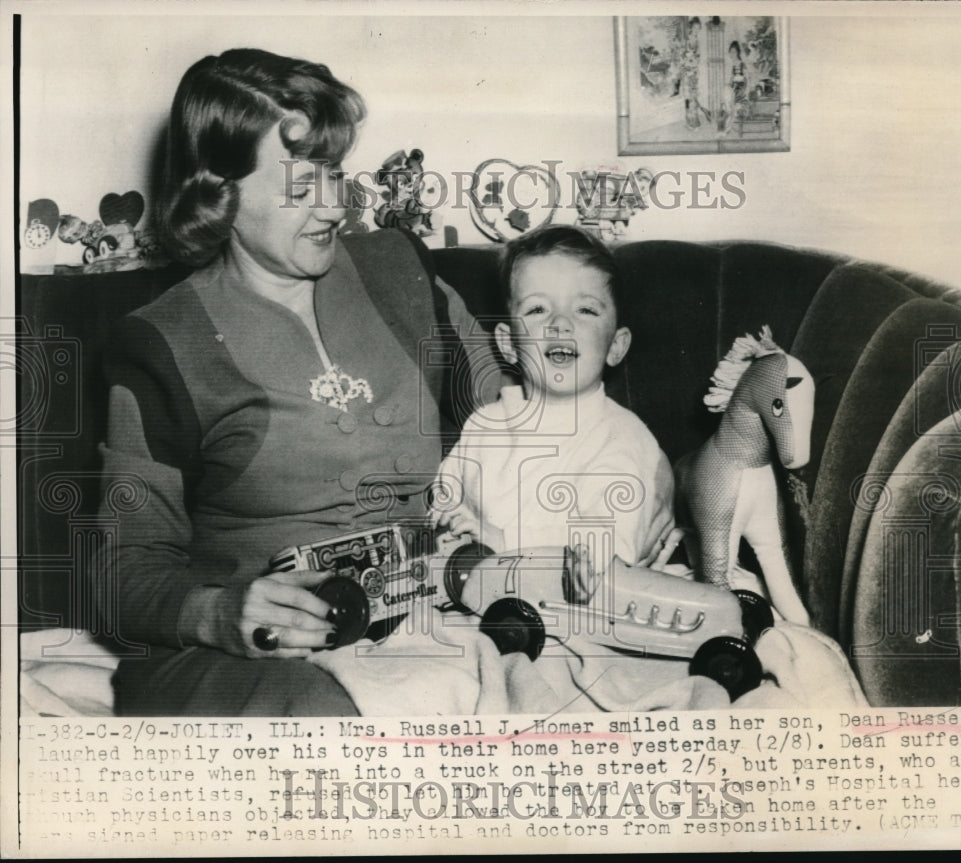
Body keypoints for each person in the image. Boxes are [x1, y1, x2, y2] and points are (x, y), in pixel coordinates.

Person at [97, 48, 495, 715]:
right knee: (329, 725)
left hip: (421, 620)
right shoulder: (160, 344)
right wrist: (223, 613)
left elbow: (506, 416)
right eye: (299, 187)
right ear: (217, 191)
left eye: (335, 174)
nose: (334, 205)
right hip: (245, 660)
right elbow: (119, 574)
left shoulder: (401, 270)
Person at [431, 225, 678, 574]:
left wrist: (505, 541)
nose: (560, 324)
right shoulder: (485, 424)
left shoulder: (621, 438)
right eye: (537, 310)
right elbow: (447, 491)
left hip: (589, 605)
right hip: (482, 589)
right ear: (509, 345)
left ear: (616, 346)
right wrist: (445, 517)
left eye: (585, 311)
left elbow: (606, 550)